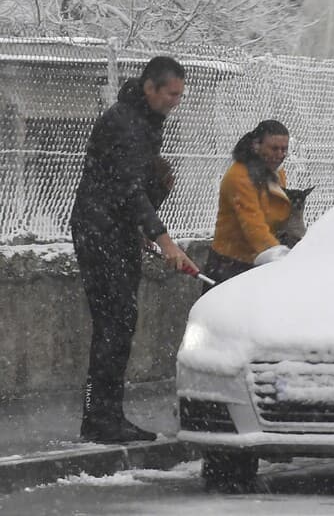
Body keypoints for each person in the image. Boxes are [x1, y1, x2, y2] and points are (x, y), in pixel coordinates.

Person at [70, 56, 199, 444]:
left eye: (180, 93)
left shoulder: (142, 122)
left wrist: (141, 228)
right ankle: (100, 418)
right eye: (172, 93)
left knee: (119, 322)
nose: (176, 100)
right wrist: (164, 239)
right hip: (99, 231)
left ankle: (105, 415)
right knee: (114, 322)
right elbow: (127, 188)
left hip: (112, 228)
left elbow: (131, 189)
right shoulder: (125, 123)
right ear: (150, 87)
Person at [203, 120, 293, 291]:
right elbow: (254, 227)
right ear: (256, 146)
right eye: (274, 148)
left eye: (284, 149)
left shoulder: (277, 172)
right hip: (230, 265)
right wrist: (282, 257)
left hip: (259, 260)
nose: (280, 154)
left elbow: (278, 215)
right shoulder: (239, 177)